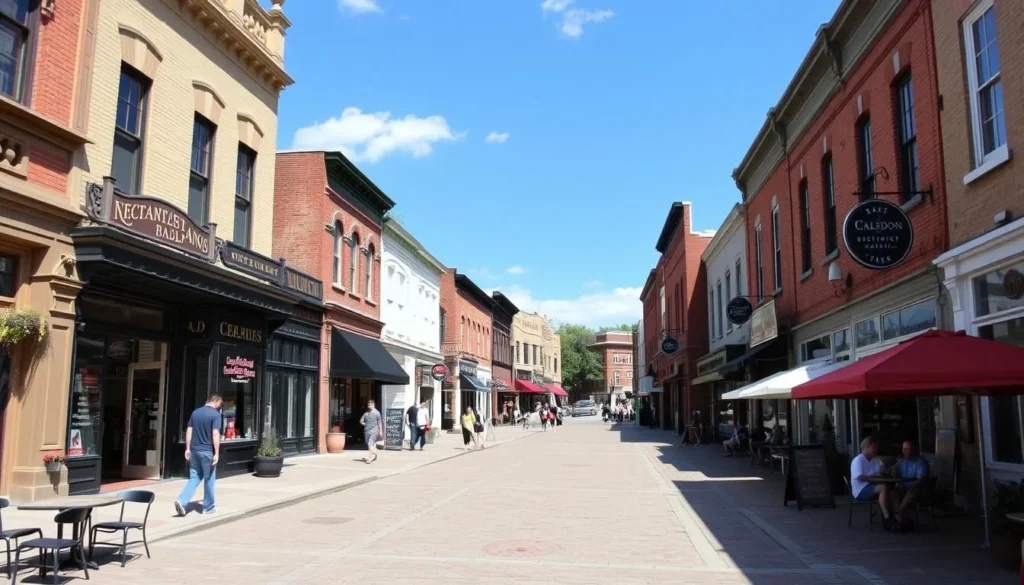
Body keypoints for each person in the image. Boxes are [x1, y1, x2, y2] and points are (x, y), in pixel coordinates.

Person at [175, 394, 223, 516]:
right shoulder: (215, 415)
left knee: (194, 478)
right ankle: (209, 507)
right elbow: (215, 434)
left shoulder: (195, 413)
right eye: (220, 405)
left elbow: (189, 430)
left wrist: (187, 448)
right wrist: (217, 453)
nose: (219, 408)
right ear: (216, 401)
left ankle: (182, 501)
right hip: (207, 451)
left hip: (194, 450)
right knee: (209, 479)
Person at [850, 436, 896, 530]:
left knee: (891, 490)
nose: (876, 450)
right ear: (866, 447)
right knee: (883, 487)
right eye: (873, 448)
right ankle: (887, 518)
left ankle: (898, 517)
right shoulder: (858, 460)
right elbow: (860, 477)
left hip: (872, 486)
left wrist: (885, 470)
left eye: (876, 448)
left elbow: (883, 471)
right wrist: (876, 479)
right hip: (860, 490)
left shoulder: (875, 460)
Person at [892, 440, 930, 529]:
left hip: (917, 489)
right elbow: (894, 475)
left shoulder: (920, 462)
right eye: (903, 449)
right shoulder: (902, 461)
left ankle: (898, 513)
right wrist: (896, 465)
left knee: (913, 490)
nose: (904, 451)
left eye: (907, 449)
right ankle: (901, 518)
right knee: (892, 492)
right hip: (904, 488)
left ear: (914, 450)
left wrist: (909, 485)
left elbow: (921, 479)